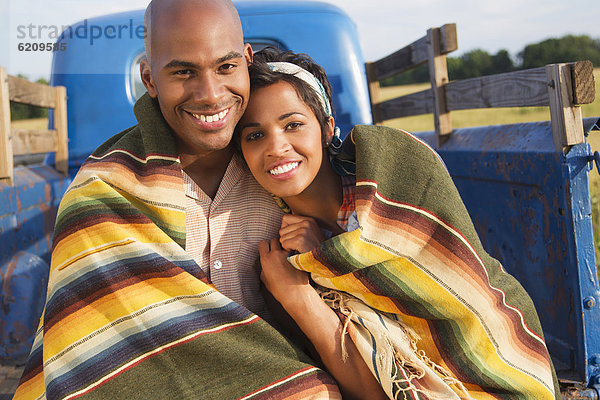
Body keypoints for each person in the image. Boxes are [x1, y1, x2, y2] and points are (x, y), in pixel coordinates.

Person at [13, 1, 342, 399]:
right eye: (183, 72)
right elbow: (95, 356)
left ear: (246, 60)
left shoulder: (280, 172)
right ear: (149, 79)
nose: (210, 94)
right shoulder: (105, 192)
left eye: (226, 66)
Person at [236, 48, 561, 399]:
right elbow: (369, 389)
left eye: (293, 124)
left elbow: (465, 288)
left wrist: (327, 258)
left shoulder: (393, 177)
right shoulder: (276, 250)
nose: (276, 146)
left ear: (328, 127)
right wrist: (302, 289)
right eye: (255, 135)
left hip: (502, 357)